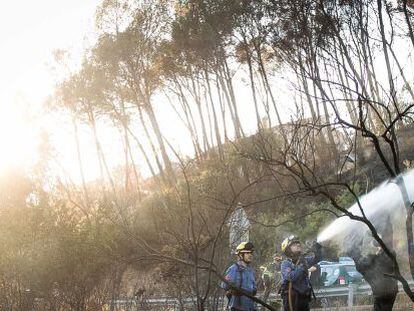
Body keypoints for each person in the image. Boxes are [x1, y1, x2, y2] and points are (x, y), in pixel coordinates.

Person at [349, 238, 398, 311]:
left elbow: (363, 264)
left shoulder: (381, 259)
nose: (377, 251)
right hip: (387, 291)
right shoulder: (386, 257)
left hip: (383, 292)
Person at [280, 235, 322, 311]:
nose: (298, 245)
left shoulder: (304, 260)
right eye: (294, 244)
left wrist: (317, 248)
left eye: (298, 243)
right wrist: (302, 267)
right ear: (288, 249)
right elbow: (290, 277)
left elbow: (318, 258)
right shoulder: (286, 263)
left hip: (303, 298)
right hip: (291, 299)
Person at [221, 242, 257, 311]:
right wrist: (233, 289)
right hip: (237, 307)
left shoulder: (250, 270)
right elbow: (225, 285)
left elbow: (253, 289)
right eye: (247, 253)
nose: (250, 255)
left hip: (250, 307)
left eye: (251, 253)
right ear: (241, 255)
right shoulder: (234, 269)